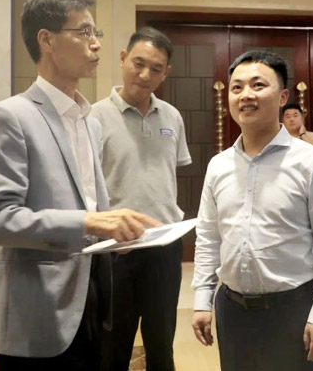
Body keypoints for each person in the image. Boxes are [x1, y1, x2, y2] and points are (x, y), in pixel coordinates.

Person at [0, 0, 160, 370]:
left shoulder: (89, 122)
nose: (96, 43)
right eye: (84, 32)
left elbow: (86, 207)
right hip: (36, 311)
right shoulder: (8, 117)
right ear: (46, 39)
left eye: (96, 33)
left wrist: (117, 234)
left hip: (92, 301)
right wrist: (91, 222)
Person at [191, 50, 313, 371]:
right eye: (237, 87)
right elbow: (208, 237)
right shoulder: (218, 166)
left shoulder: (312, 162)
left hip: (293, 310)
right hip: (232, 311)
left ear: (283, 97)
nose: (246, 95)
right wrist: (202, 300)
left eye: (258, 85)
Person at [91, 27, 191, 371]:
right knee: (112, 346)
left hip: (164, 245)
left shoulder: (172, 117)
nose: (145, 74)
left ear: (166, 73)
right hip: (115, 249)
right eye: (139, 63)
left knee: (162, 344)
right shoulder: (93, 118)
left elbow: (167, 174)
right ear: (123, 59)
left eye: (156, 68)